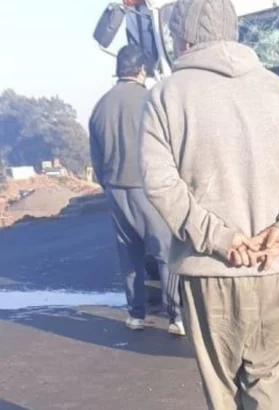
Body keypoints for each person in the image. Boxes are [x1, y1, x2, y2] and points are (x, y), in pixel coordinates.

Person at [137, 0, 279, 408]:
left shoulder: (165, 97)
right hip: (277, 269)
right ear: (235, 33)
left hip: (208, 271)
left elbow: (160, 183)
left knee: (221, 395)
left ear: (184, 38)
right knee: (276, 395)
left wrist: (221, 238)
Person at [88, 44, 184, 336]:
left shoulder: (100, 106)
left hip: (115, 190)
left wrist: (109, 184)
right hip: (149, 188)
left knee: (129, 255)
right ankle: (176, 316)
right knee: (165, 252)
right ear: (142, 70)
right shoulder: (152, 99)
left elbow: (96, 156)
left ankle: (136, 314)